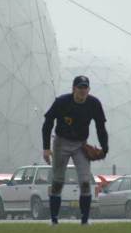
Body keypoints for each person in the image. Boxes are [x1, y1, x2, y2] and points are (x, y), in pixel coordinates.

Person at [42, 75, 109, 225]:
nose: (82, 91)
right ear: (73, 89)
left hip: (80, 144)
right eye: (80, 88)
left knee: (85, 181)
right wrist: (46, 148)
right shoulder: (62, 102)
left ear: (89, 89)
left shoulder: (93, 103)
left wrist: (105, 148)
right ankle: (54, 220)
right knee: (58, 181)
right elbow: (47, 123)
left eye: (85, 87)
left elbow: (100, 127)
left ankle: (85, 221)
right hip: (61, 142)